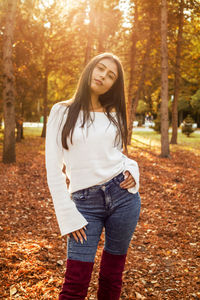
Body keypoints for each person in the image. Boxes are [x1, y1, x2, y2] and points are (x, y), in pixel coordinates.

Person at [45, 52, 141, 300]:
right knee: (75, 283)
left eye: (111, 76)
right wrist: (67, 216)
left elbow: (118, 154)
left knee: (112, 277)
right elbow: (54, 170)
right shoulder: (60, 111)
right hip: (84, 204)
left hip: (123, 198)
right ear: (90, 68)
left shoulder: (114, 114)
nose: (103, 77)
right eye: (101, 69)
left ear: (113, 85)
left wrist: (133, 170)